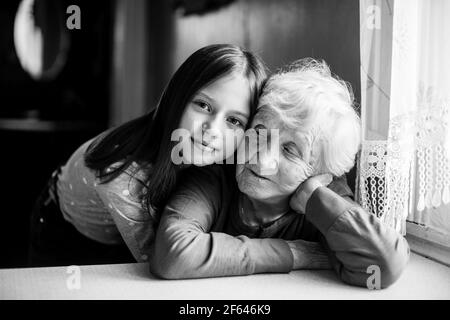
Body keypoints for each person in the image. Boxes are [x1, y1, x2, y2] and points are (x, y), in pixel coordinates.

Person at [150, 58, 410, 289]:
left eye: (290, 150)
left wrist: (313, 200)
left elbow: (383, 264)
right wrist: (295, 253)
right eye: (260, 131)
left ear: (321, 172)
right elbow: (173, 256)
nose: (263, 158)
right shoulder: (216, 175)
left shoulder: (323, 197)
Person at [28, 44, 267, 267]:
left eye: (234, 121)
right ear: (177, 98)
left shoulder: (221, 161)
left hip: (127, 229)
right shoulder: (124, 174)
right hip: (66, 232)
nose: (213, 130)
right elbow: (170, 263)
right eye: (203, 105)